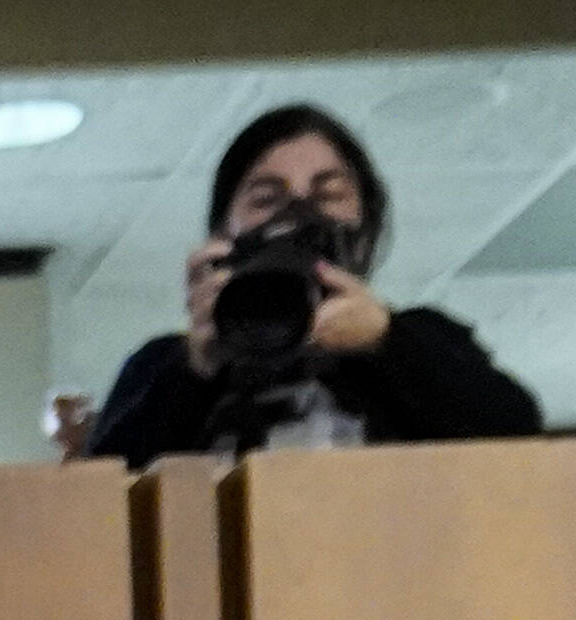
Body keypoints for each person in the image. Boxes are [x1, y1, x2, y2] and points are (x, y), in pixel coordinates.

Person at [69, 106, 545, 464]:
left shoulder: (423, 340)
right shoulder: (165, 365)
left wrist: (387, 343)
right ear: (221, 232)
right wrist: (192, 374)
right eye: (266, 198)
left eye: (328, 194)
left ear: (367, 222)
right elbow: (102, 508)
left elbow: (518, 442)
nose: (298, 215)